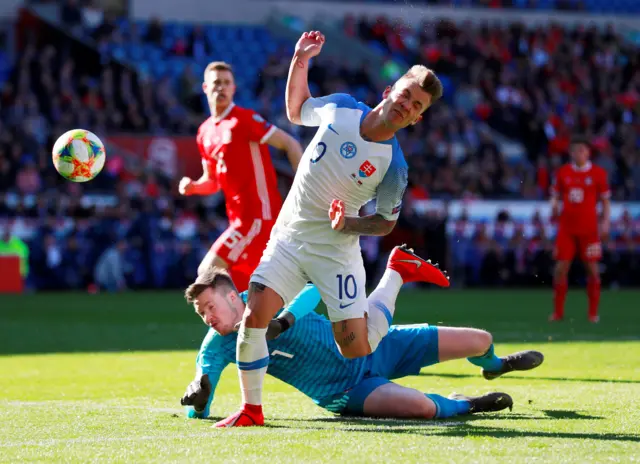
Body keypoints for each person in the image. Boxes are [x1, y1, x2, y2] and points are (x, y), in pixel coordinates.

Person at [217, 31, 447, 427]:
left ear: (417, 118)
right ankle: (251, 410)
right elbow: (297, 109)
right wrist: (300, 59)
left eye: (416, 106)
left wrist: (349, 223)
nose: (406, 105)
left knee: (355, 348)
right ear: (392, 89)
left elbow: (386, 221)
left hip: (335, 252)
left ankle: (395, 274)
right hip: (289, 239)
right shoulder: (341, 107)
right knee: (254, 317)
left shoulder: (394, 167)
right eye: (407, 94)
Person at [180, 254, 543, 423]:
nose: (208, 319)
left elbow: (310, 289)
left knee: (480, 339)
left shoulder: (264, 297)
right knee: (424, 409)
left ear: (232, 297)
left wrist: (283, 322)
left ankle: (495, 366)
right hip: (348, 391)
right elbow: (202, 395)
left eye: (209, 307)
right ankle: (467, 404)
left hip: (371, 343)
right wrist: (198, 400)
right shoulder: (217, 344)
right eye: (201, 315)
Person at [178, 61, 303, 292]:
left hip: (258, 218)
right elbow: (213, 181)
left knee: (207, 273)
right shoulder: (204, 131)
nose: (221, 88)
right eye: (216, 83)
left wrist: (304, 188)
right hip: (239, 220)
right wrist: (193, 187)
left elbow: (290, 143)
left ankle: (233, 325)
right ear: (205, 88)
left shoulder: (244, 120)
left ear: (234, 88)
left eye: (227, 83)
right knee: (247, 291)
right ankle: (251, 327)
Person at [550, 138, 611, 323]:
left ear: (588, 153)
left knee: (592, 270)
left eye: (582, 151)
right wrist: (554, 206)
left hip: (589, 230)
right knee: (561, 268)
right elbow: (555, 195)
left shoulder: (598, 173)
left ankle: (593, 313)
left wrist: (605, 222)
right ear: (571, 153)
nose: (579, 154)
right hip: (567, 229)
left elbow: (605, 201)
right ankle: (558, 312)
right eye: (575, 151)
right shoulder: (563, 172)